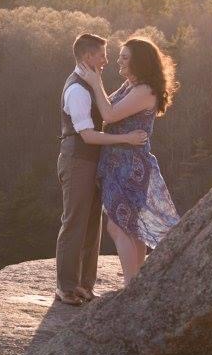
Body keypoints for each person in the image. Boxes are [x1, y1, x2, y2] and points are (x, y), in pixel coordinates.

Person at [77, 36, 180, 285]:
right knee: (131, 226)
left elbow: (109, 115)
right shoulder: (131, 86)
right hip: (117, 164)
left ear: (139, 62)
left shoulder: (145, 91)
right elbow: (107, 107)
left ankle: (130, 286)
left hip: (129, 166)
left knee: (118, 226)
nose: (118, 61)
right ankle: (137, 283)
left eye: (124, 57)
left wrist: (95, 81)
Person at [55, 32, 149, 306]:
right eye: (102, 55)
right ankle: (66, 287)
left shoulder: (91, 84)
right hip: (78, 161)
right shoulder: (76, 90)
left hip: (94, 163)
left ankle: (85, 284)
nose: (106, 61)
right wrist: (126, 139)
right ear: (87, 57)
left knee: (92, 223)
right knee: (74, 221)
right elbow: (89, 135)